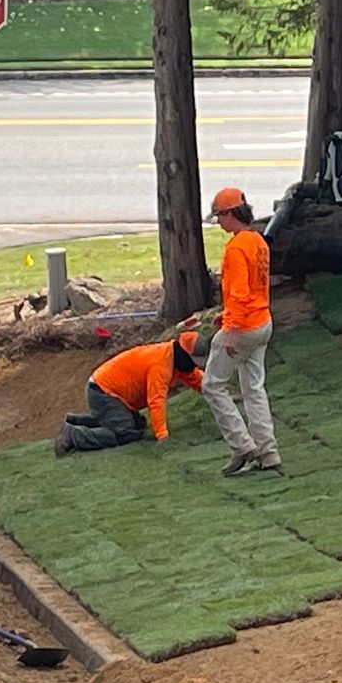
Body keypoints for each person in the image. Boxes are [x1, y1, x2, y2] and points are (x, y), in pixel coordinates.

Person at [201, 186, 281, 476]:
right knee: (254, 390)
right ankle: (269, 453)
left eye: (220, 216)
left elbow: (239, 293)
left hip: (244, 327)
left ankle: (242, 446)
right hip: (263, 323)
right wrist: (227, 315)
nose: (219, 222)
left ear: (231, 213)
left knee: (212, 385)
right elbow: (254, 290)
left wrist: (230, 328)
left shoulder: (235, 249)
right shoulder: (258, 241)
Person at [54, 329, 209, 455]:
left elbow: (195, 378)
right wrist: (162, 435)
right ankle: (73, 435)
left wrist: (218, 395)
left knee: (138, 425)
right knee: (123, 433)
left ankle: (74, 421)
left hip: (107, 390)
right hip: (103, 392)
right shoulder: (160, 365)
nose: (195, 366)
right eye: (193, 361)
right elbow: (156, 401)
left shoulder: (174, 357)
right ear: (184, 354)